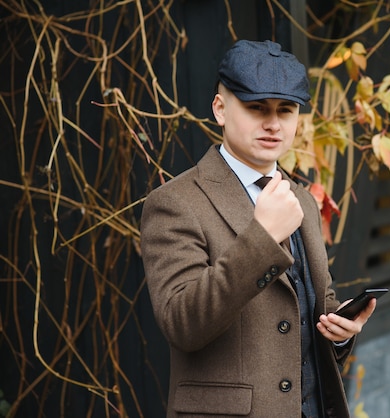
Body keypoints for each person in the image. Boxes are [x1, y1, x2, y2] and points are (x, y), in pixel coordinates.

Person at [140, 39, 376, 418]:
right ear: (220, 109)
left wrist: (339, 328)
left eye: (286, 110)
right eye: (255, 107)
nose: (272, 123)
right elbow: (183, 324)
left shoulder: (302, 201)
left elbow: (305, 316)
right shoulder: (175, 202)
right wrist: (262, 238)